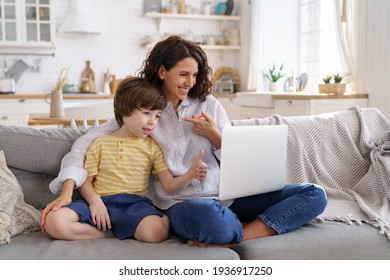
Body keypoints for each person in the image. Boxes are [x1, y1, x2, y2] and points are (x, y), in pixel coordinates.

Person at [41, 35, 327, 247]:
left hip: (228, 196)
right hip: (181, 203)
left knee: (315, 194)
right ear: (162, 72)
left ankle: (237, 237)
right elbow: (83, 146)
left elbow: (240, 160)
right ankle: (232, 229)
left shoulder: (209, 104)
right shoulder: (143, 110)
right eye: (183, 74)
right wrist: (67, 192)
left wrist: (216, 137)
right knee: (209, 216)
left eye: (194, 75)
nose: (190, 81)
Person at [43, 76, 207, 242]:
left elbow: (170, 186)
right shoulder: (100, 143)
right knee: (54, 221)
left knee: (155, 232)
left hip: (134, 205)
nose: (152, 122)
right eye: (146, 113)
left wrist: (190, 174)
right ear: (125, 111)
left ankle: (114, 230)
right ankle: (106, 233)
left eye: (157, 116)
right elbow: (86, 181)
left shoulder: (152, 147)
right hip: (101, 201)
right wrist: (95, 202)